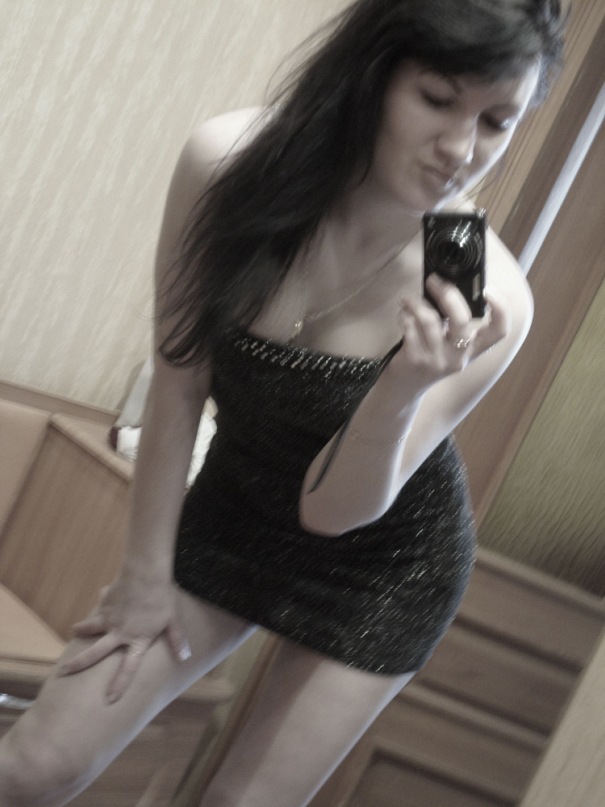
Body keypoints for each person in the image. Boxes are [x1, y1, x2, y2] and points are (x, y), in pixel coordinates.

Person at [0, 1, 566, 805]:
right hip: (233, 503)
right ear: (372, 74)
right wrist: (142, 576)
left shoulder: (494, 302)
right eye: (437, 99)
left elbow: (330, 513)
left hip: (381, 562)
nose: (459, 148)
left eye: (495, 121)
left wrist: (402, 385)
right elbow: (178, 375)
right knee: (35, 765)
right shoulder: (227, 164)